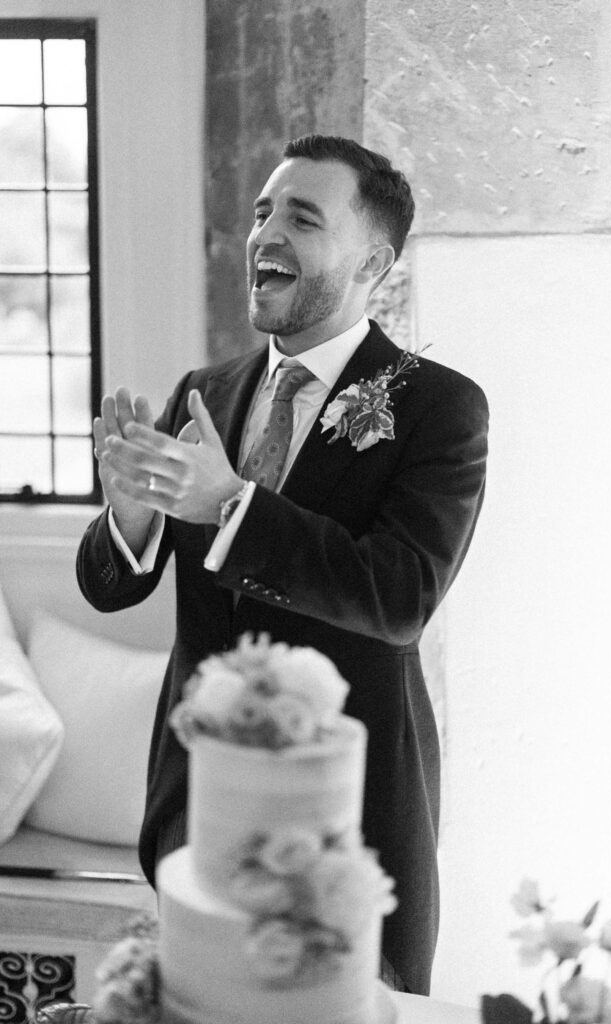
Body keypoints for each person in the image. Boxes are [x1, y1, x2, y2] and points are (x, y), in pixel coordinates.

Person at [76, 134, 488, 995]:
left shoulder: (438, 406)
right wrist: (131, 516)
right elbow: (111, 586)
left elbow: (400, 596)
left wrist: (232, 507)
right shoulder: (208, 390)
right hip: (198, 796)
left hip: (348, 813)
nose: (265, 233)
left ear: (371, 262)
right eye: (263, 212)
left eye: (302, 218)